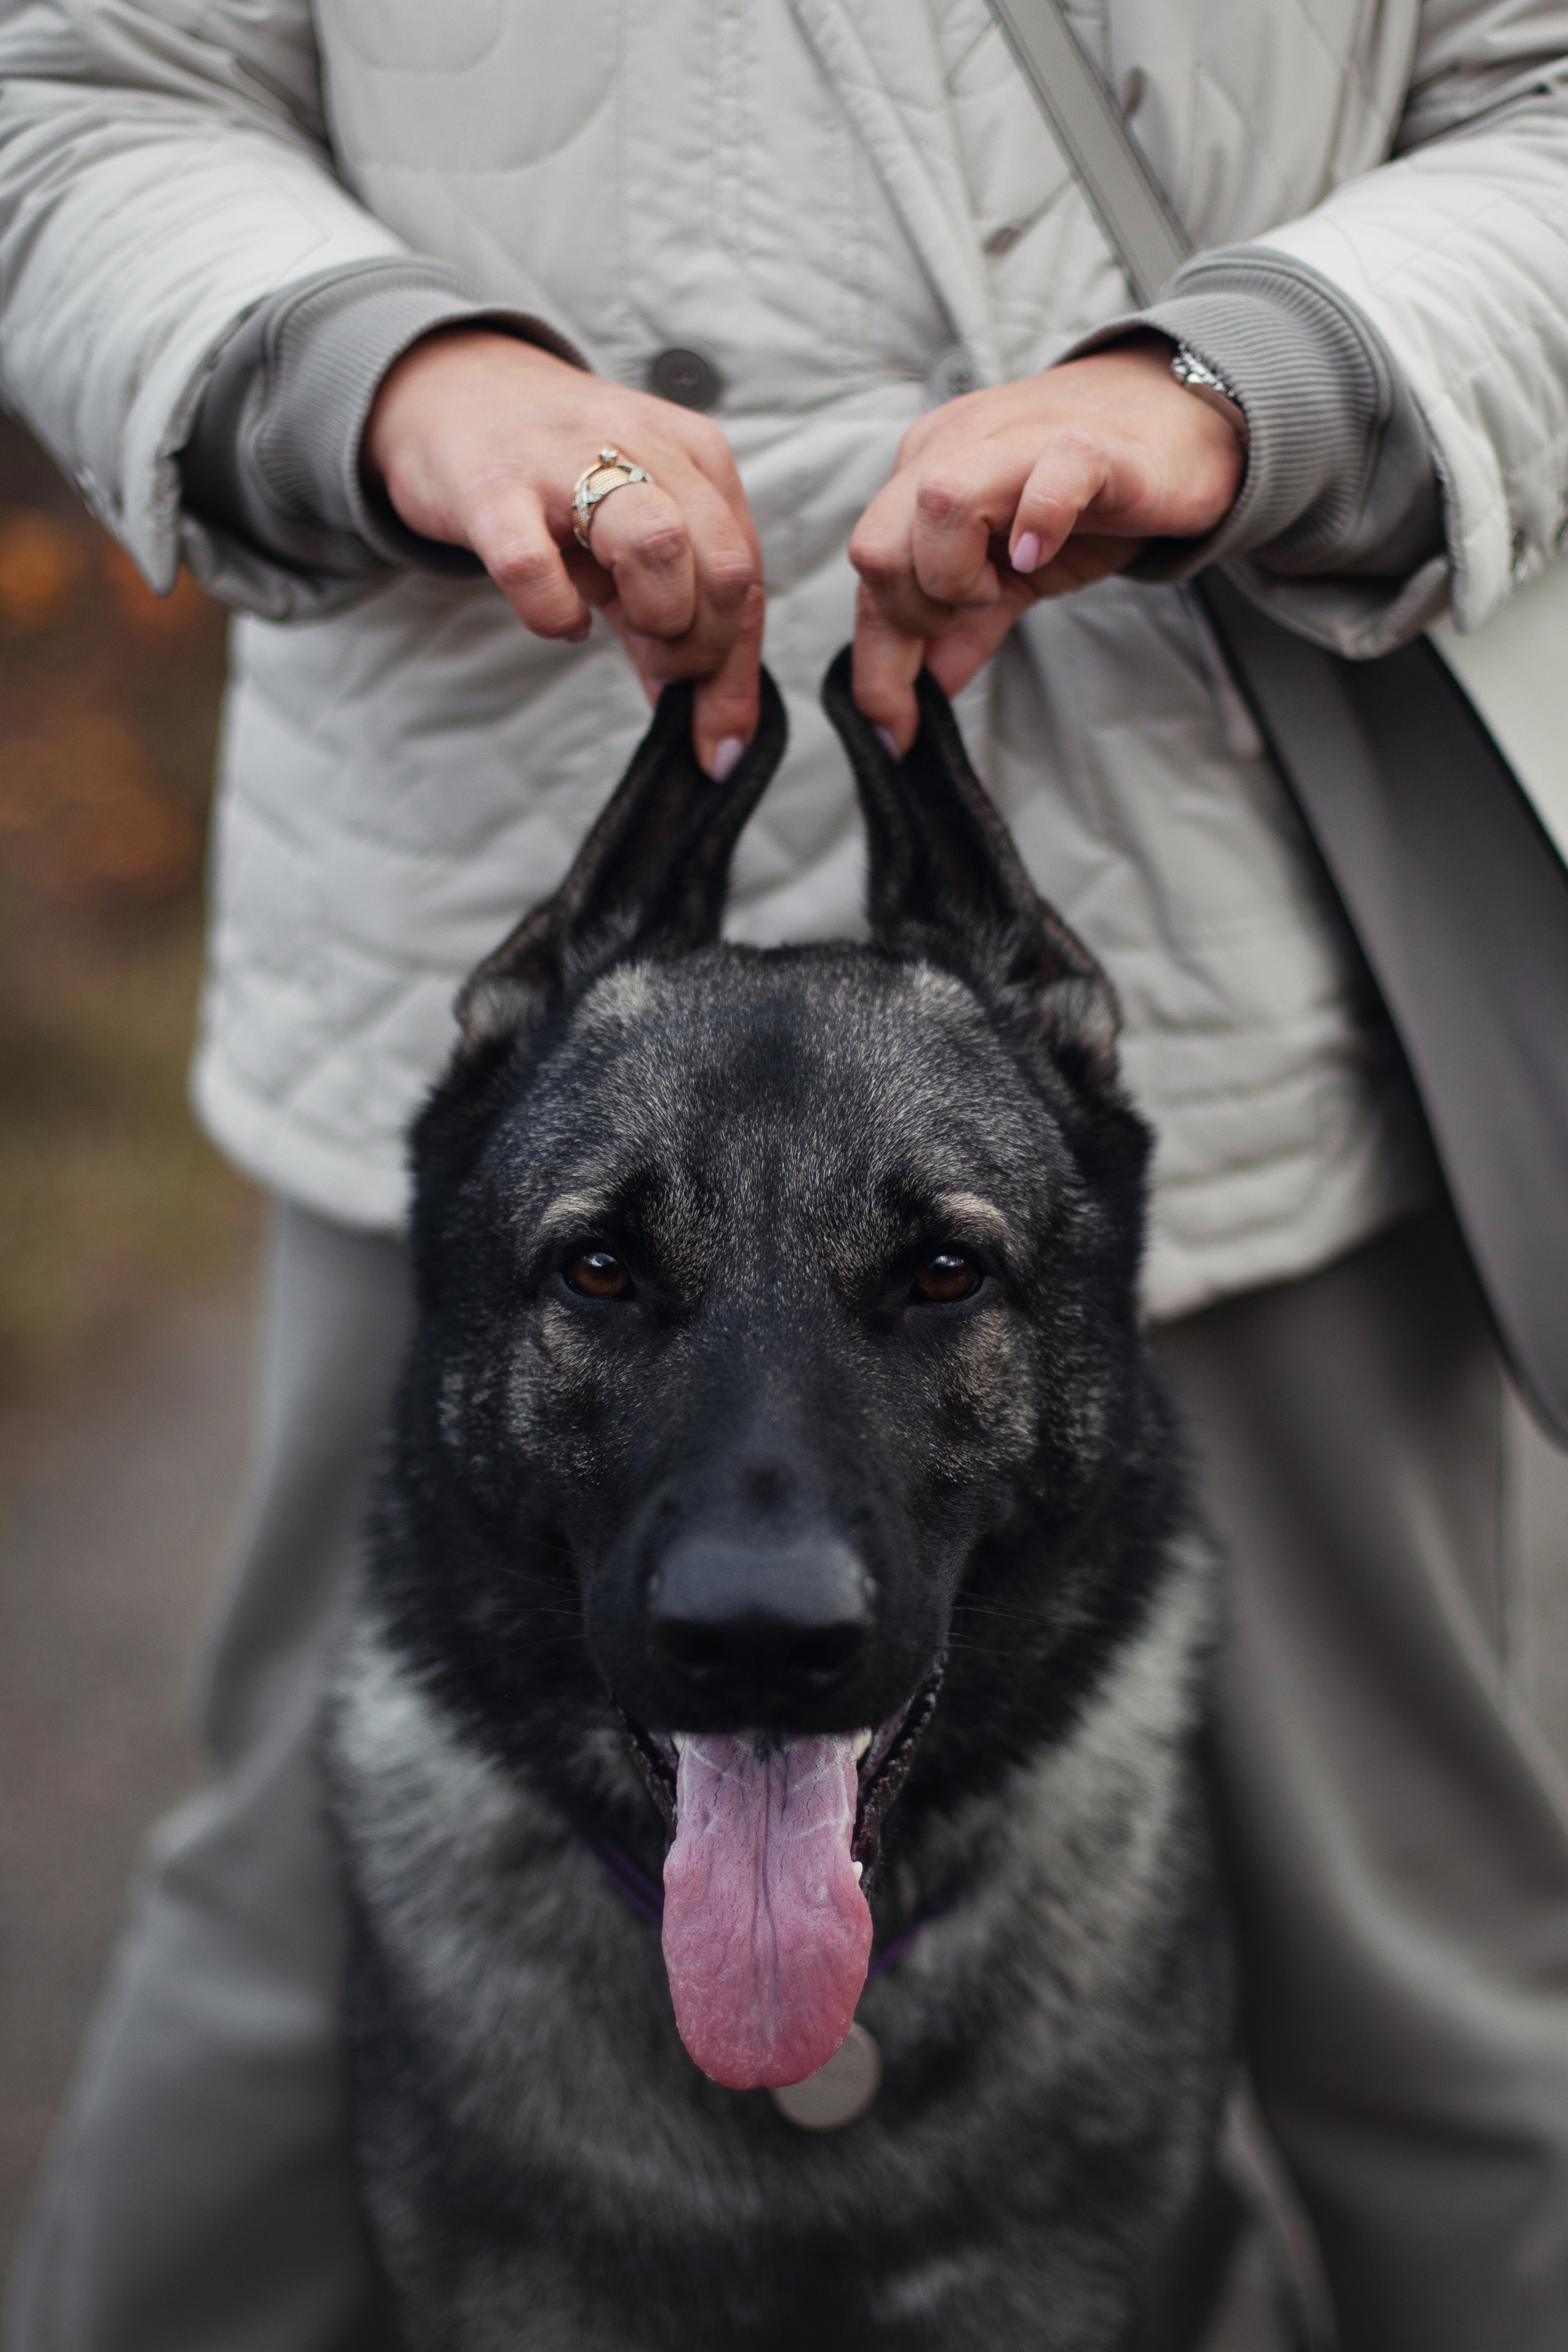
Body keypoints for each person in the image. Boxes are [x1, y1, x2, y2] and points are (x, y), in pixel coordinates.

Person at [2, 3, 1567, 2347]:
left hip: (1226, 941)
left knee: (1430, 2006)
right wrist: (404, 375)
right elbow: (75, 93)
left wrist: (1244, 386)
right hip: (482, 894)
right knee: (275, 1979)